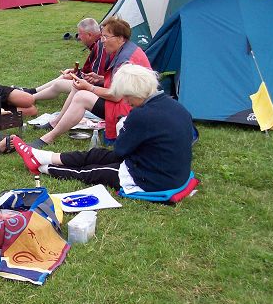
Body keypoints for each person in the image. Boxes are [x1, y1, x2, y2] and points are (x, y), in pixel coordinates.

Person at [13, 64, 193, 193]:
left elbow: (121, 149)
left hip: (154, 179)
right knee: (99, 155)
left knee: (94, 172)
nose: (126, 101)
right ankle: (43, 156)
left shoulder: (142, 115)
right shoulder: (174, 105)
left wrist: (123, 125)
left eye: (126, 96)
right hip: (170, 169)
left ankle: (43, 167)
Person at [30, 17, 151, 148]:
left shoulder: (125, 60)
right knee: (78, 89)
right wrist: (101, 79)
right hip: (130, 101)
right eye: (102, 36)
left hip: (132, 107)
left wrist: (90, 87)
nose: (102, 41)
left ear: (121, 38)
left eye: (106, 37)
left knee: (82, 97)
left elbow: (116, 96)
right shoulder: (124, 50)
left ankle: (49, 137)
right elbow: (126, 83)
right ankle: (55, 122)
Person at [19, 18, 111, 102]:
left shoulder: (100, 46)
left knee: (59, 84)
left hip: (99, 89)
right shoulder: (98, 44)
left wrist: (77, 75)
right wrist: (77, 72)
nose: (79, 37)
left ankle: (28, 98)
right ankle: (32, 91)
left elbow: (94, 78)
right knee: (65, 76)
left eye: (80, 34)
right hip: (101, 85)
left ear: (89, 35)